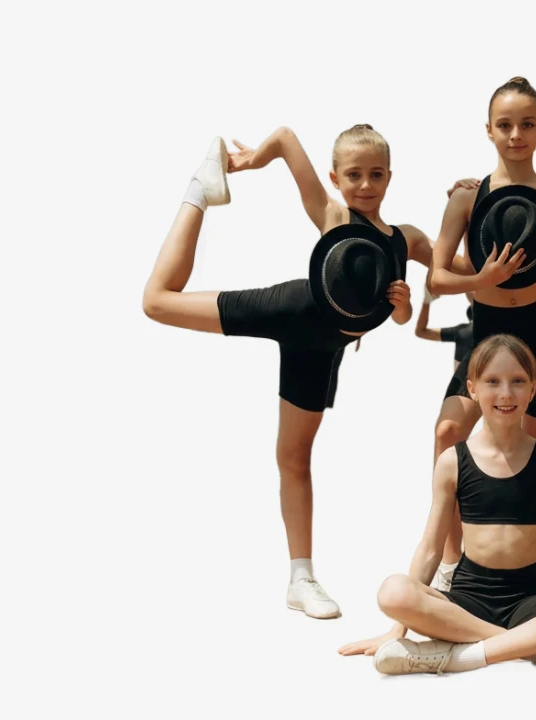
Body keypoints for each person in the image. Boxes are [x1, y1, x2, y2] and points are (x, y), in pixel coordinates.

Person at [142, 123, 450, 619]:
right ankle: (198, 190)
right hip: (292, 310)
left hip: (323, 351)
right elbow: (286, 138)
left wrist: (403, 306)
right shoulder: (333, 214)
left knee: (294, 457)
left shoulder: (404, 240)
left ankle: (300, 579)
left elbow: (443, 278)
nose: (365, 185)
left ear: (390, 177)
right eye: (354, 175)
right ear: (335, 177)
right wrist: (247, 162)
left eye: (375, 175)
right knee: (157, 303)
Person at [337, 334, 536, 674]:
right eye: (493, 382)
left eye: (518, 381)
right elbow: (431, 549)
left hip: (530, 601)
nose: (506, 393)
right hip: (465, 600)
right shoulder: (452, 462)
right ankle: (531, 647)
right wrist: (395, 628)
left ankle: (457, 656)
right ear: (472, 389)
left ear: (533, 390)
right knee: (393, 592)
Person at [424, 77, 536, 586]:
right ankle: (451, 562)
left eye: (526, 124)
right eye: (505, 124)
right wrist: (480, 280)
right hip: (487, 327)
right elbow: (435, 277)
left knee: (531, 454)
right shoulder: (468, 197)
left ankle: (521, 573)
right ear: (489, 131)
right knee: (450, 431)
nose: (516, 134)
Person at [414, 289, 475, 373]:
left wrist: (426, 301)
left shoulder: (462, 331)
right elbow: (420, 332)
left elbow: (420, 331)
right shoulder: (463, 331)